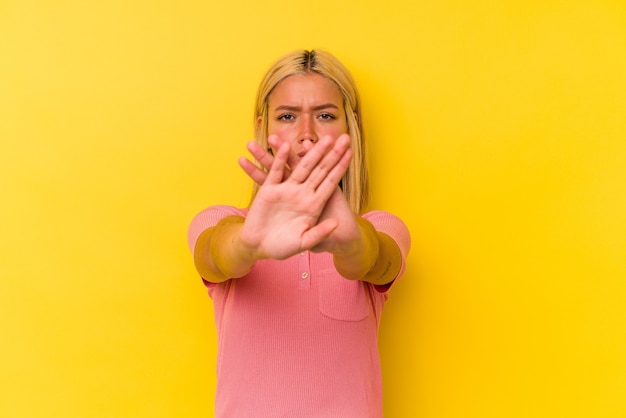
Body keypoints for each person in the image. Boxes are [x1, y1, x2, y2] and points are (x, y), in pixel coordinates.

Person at [187, 49, 411, 417]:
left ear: (349, 126)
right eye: (287, 116)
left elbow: (375, 259)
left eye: (325, 115)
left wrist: (352, 241)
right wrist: (248, 243)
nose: (306, 135)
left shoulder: (382, 229)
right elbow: (216, 254)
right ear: (264, 127)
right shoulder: (219, 221)